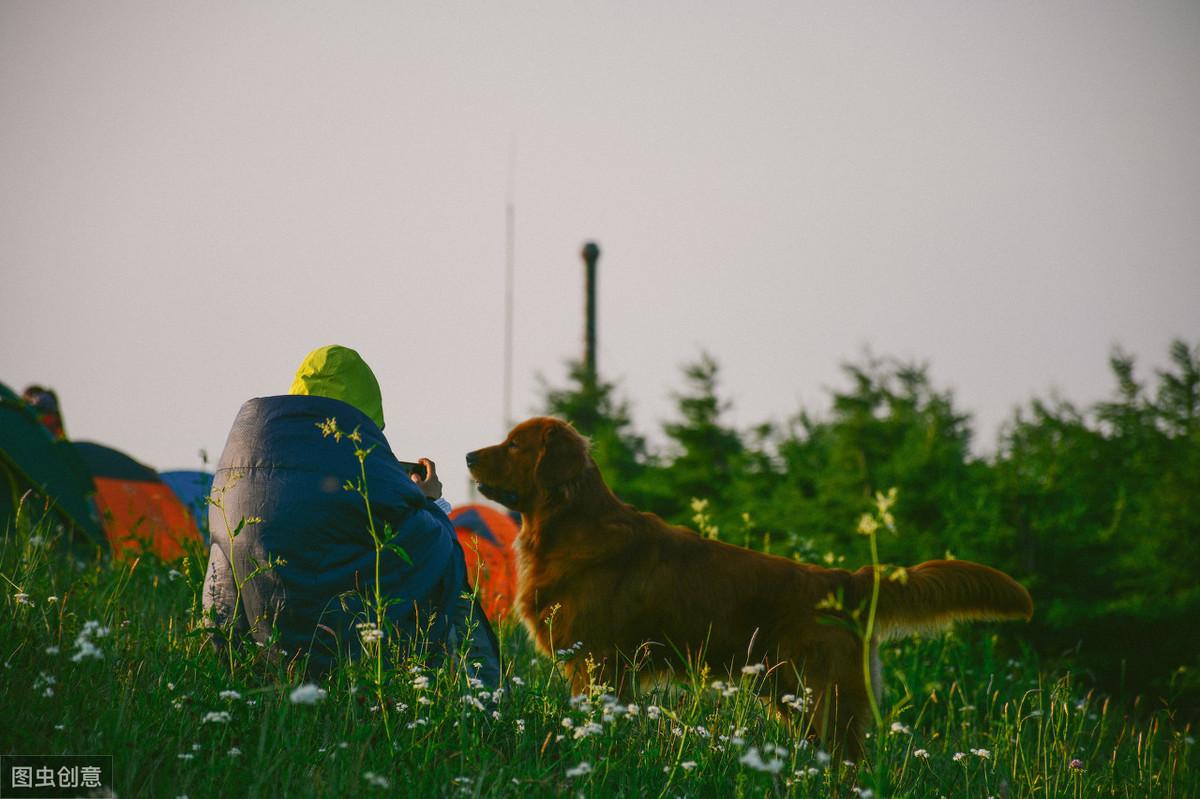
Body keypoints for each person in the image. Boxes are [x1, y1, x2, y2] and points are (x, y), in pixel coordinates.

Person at [201, 345, 499, 685]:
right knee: (446, 567)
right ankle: (486, 705)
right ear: (366, 421)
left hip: (256, 667)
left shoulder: (242, 469)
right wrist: (429, 503)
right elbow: (435, 555)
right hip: (353, 671)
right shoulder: (365, 477)